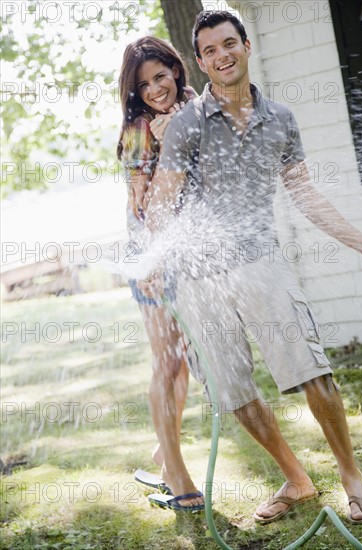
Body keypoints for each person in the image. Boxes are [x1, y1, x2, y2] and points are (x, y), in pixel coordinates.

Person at [141, 11, 362, 524]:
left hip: (261, 264)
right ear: (200, 62)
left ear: (246, 46)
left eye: (230, 44)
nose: (222, 56)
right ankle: (295, 479)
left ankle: (352, 477)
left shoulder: (282, 120)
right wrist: (156, 260)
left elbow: (305, 194)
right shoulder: (185, 124)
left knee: (312, 370)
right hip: (198, 280)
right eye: (210, 50)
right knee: (234, 391)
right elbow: (162, 201)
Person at [117, 36, 204, 509]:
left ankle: (162, 449)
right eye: (143, 84)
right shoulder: (138, 128)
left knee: (184, 362)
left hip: (186, 256)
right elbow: (141, 201)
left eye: (160, 76)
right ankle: (178, 477)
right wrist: (151, 261)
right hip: (150, 256)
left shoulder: (193, 105)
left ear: (176, 69)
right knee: (165, 361)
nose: (154, 89)